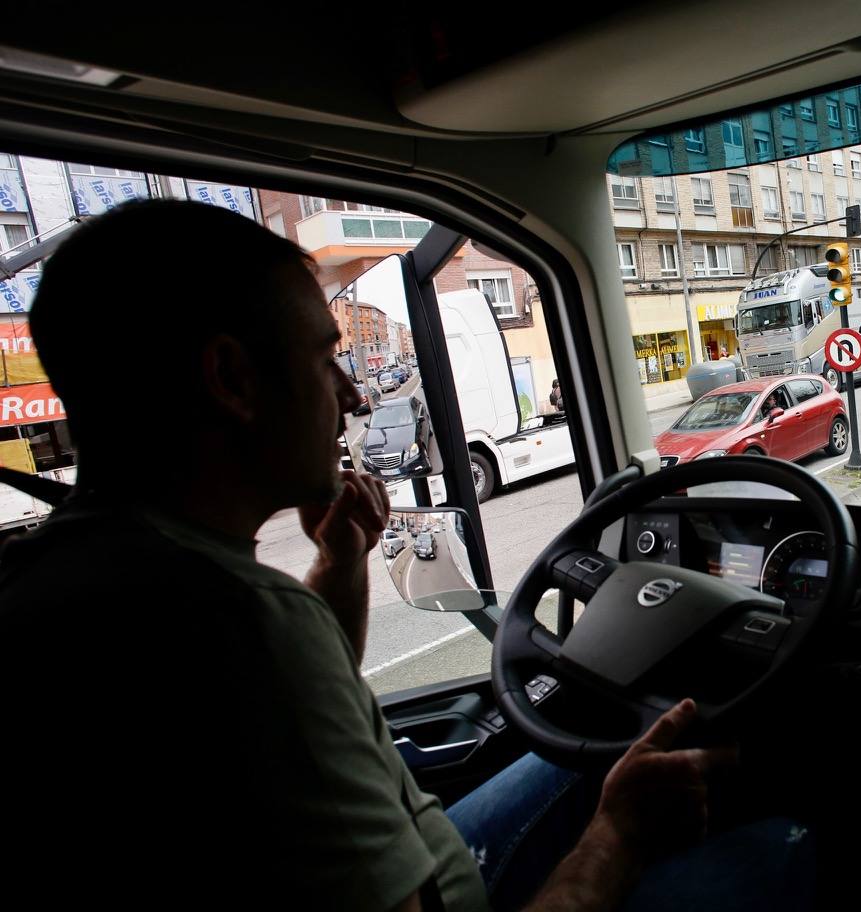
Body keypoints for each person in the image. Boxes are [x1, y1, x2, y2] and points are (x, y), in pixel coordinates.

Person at [0, 200, 811, 910]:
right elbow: (275, 655)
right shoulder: (236, 620)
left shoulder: (75, 575)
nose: (354, 396)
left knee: (583, 758)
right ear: (231, 379)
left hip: (429, 860)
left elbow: (306, 699)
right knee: (788, 843)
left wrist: (344, 558)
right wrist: (620, 839)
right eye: (324, 360)